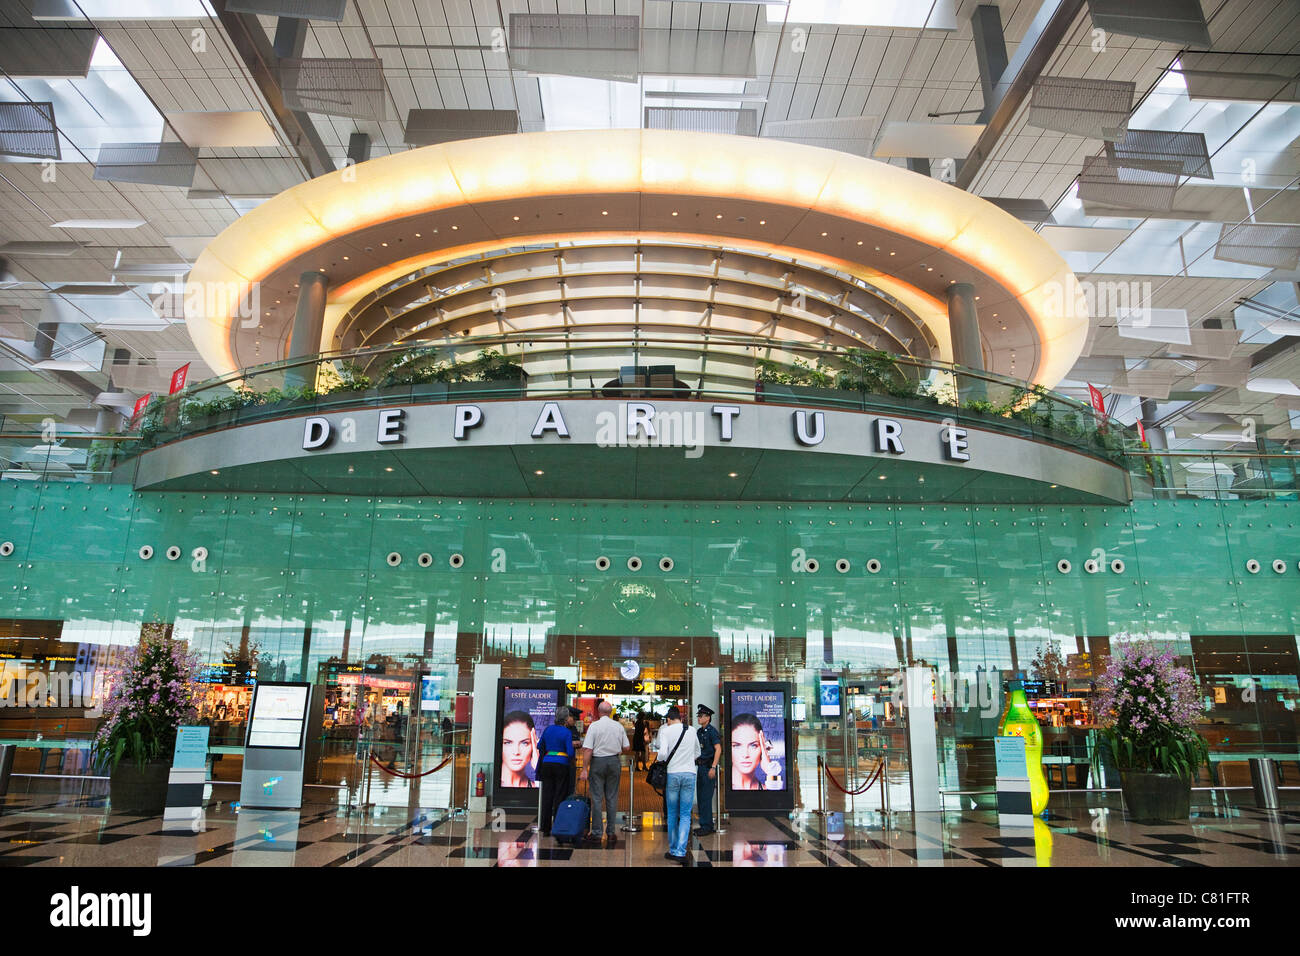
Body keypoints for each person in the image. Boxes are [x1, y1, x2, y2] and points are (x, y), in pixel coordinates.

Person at [580, 700, 631, 847]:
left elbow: (588, 749)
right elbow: (627, 747)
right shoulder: (618, 726)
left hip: (598, 763)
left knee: (596, 797)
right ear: (610, 712)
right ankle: (610, 833)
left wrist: (584, 768)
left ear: (598, 711)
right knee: (612, 797)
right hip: (614, 763)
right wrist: (617, 749)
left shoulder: (594, 726)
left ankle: (596, 832)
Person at [657, 705, 701, 864]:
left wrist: (666, 760)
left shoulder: (666, 731)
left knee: (672, 813)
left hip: (673, 774)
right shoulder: (692, 730)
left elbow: (662, 754)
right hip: (689, 774)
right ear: (680, 718)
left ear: (669, 719)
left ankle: (673, 849)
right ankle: (681, 852)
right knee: (685, 814)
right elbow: (698, 753)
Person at [537, 705, 576, 836]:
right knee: (560, 794)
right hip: (561, 765)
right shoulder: (566, 732)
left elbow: (539, 745)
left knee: (547, 795)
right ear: (566, 719)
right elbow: (570, 752)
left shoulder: (548, 729)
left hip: (546, 764)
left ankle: (545, 828)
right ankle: (557, 826)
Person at [730, 712, 783, 790]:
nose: (745, 754)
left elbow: (780, 800)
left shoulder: (769, 788)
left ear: (762, 749)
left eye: (753, 745)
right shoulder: (723, 788)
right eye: (737, 746)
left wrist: (770, 771)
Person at [694, 704, 722, 836]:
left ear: (708, 717)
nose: (699, 718)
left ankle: (707, 826)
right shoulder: (699, 732)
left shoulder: (712, 731)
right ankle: (703, 824)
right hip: (700, 767)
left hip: (708, 767)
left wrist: (713, 767)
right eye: (698, 716)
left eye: (701, 716)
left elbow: (718, 749)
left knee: (706, 797)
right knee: (700, 797)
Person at [500, 709, 539, 789]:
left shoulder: (537, 786)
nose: (516, 752)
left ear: (533, 745)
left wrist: (538, 766)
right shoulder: (492, 786)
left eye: (524, 743)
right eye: (508, 743)